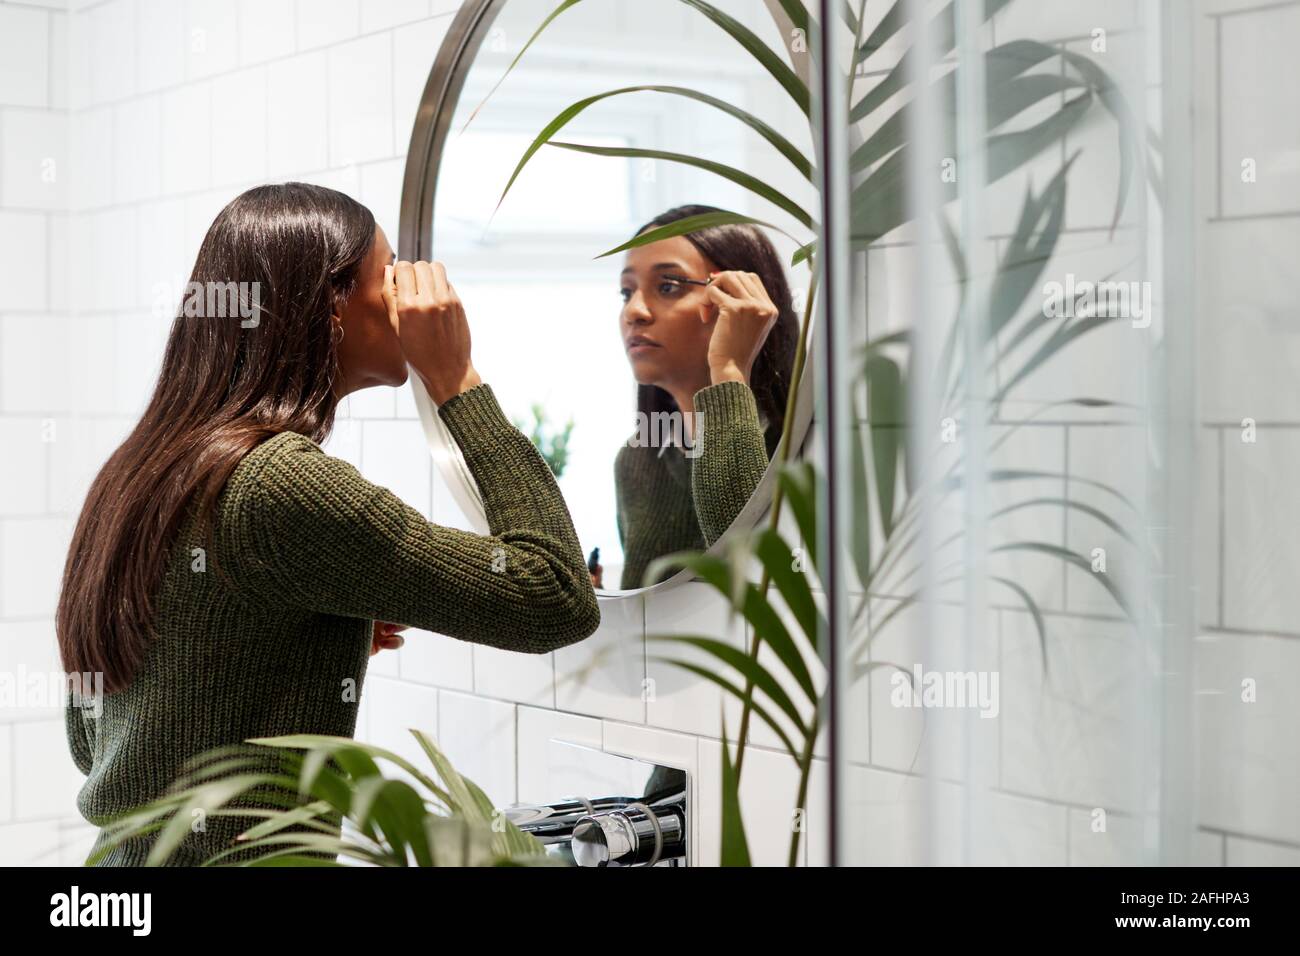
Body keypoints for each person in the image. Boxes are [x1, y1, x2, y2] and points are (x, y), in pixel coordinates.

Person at [56, 182, 601, 866]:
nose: (410, 297)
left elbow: (95, 740)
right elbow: (553, 596)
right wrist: (457, 379)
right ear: (331, 304)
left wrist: (268, 642)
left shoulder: (137, 470)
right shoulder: (280, 482)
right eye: (392, 274)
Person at [614, 204, 798, 589]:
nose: (634, 311)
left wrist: (729, 368)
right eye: (626, 291)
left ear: (737, 301)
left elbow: (745, 573)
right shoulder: (639, 459)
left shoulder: (798, 447)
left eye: (668, 286)